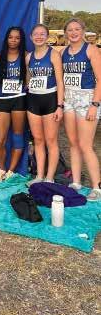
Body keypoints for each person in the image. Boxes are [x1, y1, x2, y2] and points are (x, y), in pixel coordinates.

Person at [61, 18, 101, 201]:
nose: (73, 33)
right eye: (70, 30)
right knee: (73, 142)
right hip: (69, 99)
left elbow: (100, 80)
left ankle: (97, 187)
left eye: (77, 29)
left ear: (83, 31)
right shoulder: (63, 52)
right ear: (65, 33)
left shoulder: (91, 50)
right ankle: (76, 182)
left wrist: (95, 104)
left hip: (87, 99)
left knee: (86, 145)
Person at [26, 24, 64, 185]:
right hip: (33, 101)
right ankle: (39, 176)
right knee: (38, 140)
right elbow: (28, 79)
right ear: (31, 37)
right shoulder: (29, 57)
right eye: (36, 34)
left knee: (51, 140)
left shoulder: (54, 54)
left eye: (42, 34)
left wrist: (60, 106)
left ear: (47, 37)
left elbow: (60, 82)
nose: (39, 37)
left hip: (50, 100)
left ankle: (50, 178)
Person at [0, 27, 27, 182]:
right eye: (11, 37)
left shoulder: (26, 57)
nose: (13, 40)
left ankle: (11, 171)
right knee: (0, 139)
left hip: (19, 99)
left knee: (17, 137)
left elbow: (29, 80)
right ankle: (1, 169)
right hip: (3, 101)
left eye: (17, 38)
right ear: (6, 39)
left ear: (21, 40)